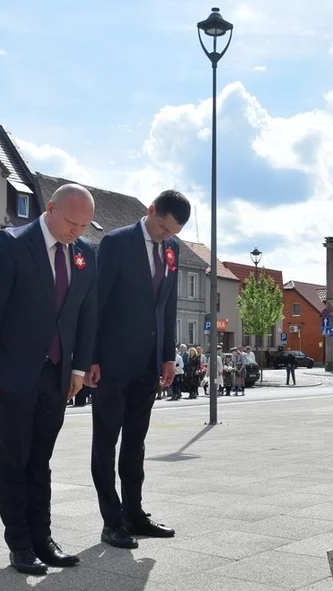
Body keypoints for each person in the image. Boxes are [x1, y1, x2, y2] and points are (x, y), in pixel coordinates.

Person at [0, 184, 97, 575]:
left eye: (84, 225)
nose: (77, 231)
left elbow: (85, 314)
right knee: (13, 459)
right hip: (12, 375)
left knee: (41, 460)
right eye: (71, 222)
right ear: (50, 207)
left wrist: (78, 368)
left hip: (57, 376)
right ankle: (20, 543)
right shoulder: (11, 245)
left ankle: (43, 537)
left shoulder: (85, 253)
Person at [86, 190, 191, 549]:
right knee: (105, 442)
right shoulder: (116, 243)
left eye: (172, 232)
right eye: (163, 228)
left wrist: (167, 356)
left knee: (136, 443)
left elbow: (167, 306)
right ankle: (111, 521)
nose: (165, 235)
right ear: (151, 211)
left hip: (148, 364)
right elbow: (97, 300)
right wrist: (92, 356)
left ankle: (135, 513)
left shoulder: (172, 250)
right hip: (112, 363)